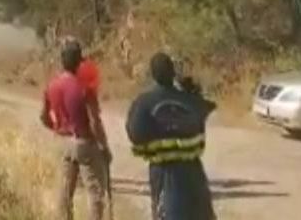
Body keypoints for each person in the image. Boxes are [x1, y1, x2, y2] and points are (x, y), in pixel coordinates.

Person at [126, 53, 216, 220]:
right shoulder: (189, 99)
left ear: (153, 75)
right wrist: (192, 92)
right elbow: (207, 108)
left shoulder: (144, 103)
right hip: (194, 171)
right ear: (173, 72)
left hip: (164, 172)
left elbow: (135, 134)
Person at [41, 40, 111, 220]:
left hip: (64, 142)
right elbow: (94, 121)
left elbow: (44, 117)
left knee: (65, 193)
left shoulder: (51, 85)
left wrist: (57, 129)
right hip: (84, 142)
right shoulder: (84, 88)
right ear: (79, 62)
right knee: (95, 193)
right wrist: (104, 147)